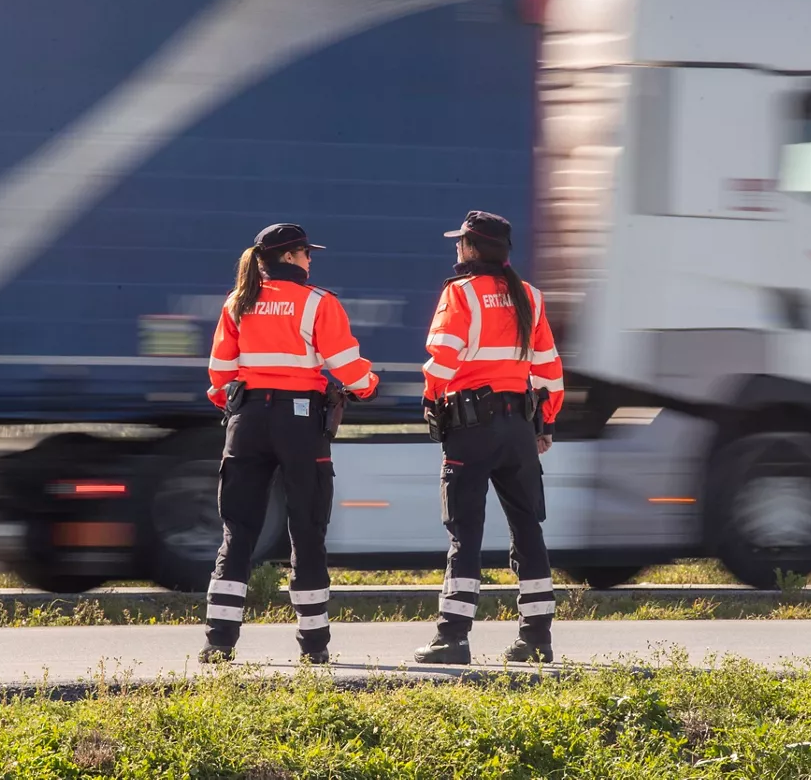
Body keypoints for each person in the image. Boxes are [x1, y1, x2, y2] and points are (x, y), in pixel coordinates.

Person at [201, 223, 379, 664]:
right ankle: (314, 648)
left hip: (246, 421)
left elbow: (220, 376)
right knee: (307, 529)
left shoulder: (237, 302)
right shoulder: (318, 302)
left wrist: (241, 408)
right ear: (289, 257)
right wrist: (368, 384)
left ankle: (218, 643)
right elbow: (347, 368)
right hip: (300, 423)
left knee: (238, 532)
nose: (310, 260)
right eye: (305, 253)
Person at [413, 210, 565, 665]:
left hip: (471, 428)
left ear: (472, 248)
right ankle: (536, 639)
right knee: (527, 529)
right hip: (518, 428)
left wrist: (430, 400)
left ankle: (453, 638)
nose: (456, 248)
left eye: (460, 242)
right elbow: (550, 372)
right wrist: (545, 423)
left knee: (466, 533)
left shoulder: (460, 294)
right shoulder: (530, 296)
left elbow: (442, 359)